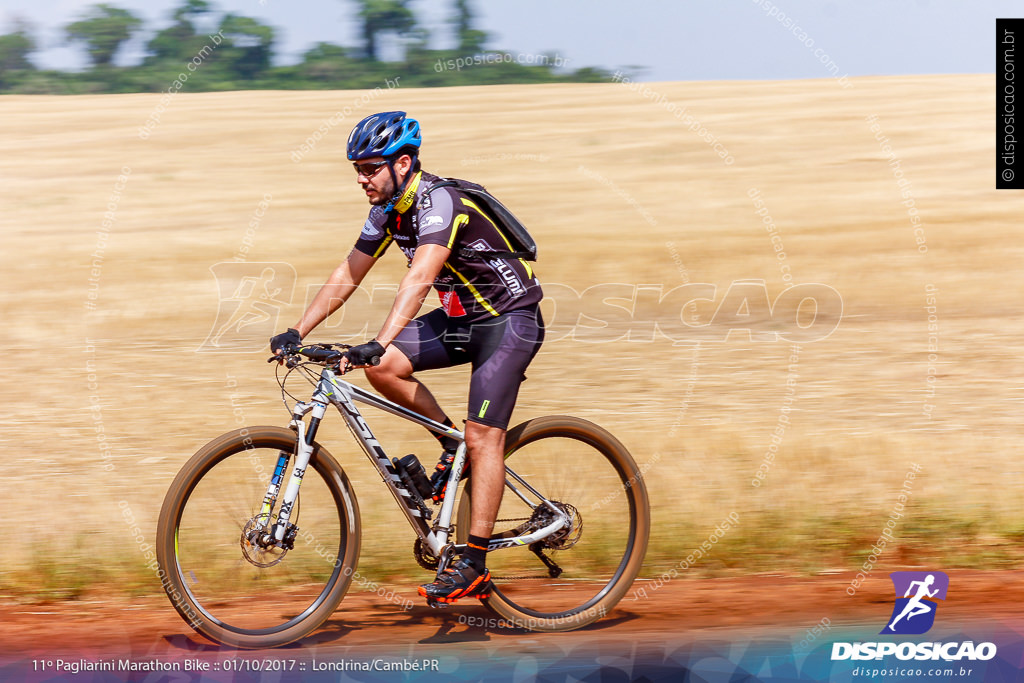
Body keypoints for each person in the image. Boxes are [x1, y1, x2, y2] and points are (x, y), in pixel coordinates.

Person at [270, 111, 544, 605]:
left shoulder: (439, 201)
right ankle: (449, 446)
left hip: (509, 321)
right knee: (384, 367)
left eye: (370, 167)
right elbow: (348, 274)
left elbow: (418, 279)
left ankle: (475, 564)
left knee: (483, 436)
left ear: (402, 163)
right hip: (462, 319)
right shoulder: (386, 209)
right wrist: (296, 329)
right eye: (357, 167)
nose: (361, 178)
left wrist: (378, 336)